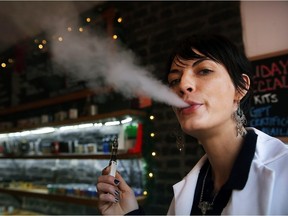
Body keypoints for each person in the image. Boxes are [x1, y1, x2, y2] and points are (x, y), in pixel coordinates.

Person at [96, 34, 288, 215]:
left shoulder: (283, 170)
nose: (183, 85)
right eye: (174, 80)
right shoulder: (191, 187)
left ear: (241, 88)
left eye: (204, 70)